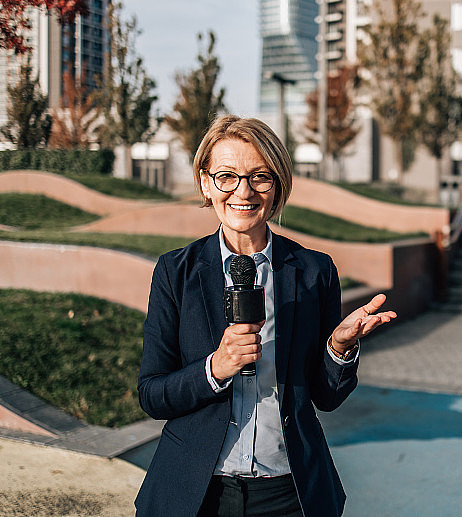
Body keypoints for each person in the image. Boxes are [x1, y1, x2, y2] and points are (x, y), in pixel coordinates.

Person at [135, 115, 396, 517]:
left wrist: (338, 348)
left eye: (260, 176)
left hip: (289, 493)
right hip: (196, 492)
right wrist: (215, 368)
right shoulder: (175, 272)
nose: (244, 190)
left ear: (278, 187)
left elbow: (325, 398)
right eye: (227, 176)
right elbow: (152, 394)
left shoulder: (314, 271)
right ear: (206, 183)